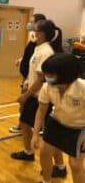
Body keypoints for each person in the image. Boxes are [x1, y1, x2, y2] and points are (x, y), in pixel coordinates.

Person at [11, 20, 67, 177]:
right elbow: (34, 73)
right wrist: (27, 83)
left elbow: (41, 78)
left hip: (39, 96)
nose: (32, 32)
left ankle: (59, 166)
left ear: (42, 33)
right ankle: (30, 152)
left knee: (49, 135)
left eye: (34, 29)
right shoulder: (38, 48)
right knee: (25, 123)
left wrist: (25, 96)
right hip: (34, 93)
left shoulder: (46, 52)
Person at [31, 53, 85, 183]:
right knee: (44, 152)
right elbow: (41, 110)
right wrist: (35, 133)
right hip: (56, 122)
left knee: (75, 165)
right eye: (46, 73)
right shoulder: (47, 87)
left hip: (79, 129)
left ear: (66, 74)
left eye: (51, 73)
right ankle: (47, 180)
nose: (46, 77)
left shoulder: (82, 87)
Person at [10, 13, 47, 133]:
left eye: (32, 22)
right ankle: (22, 124)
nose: (30, 24)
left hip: (33, 82)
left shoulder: (44, 46)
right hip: (27, 78)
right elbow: (30, 56)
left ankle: (32, 126)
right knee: (24, 104)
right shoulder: (33, 40)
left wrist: (28, 81)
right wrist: (21, 60)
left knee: (29, 104)